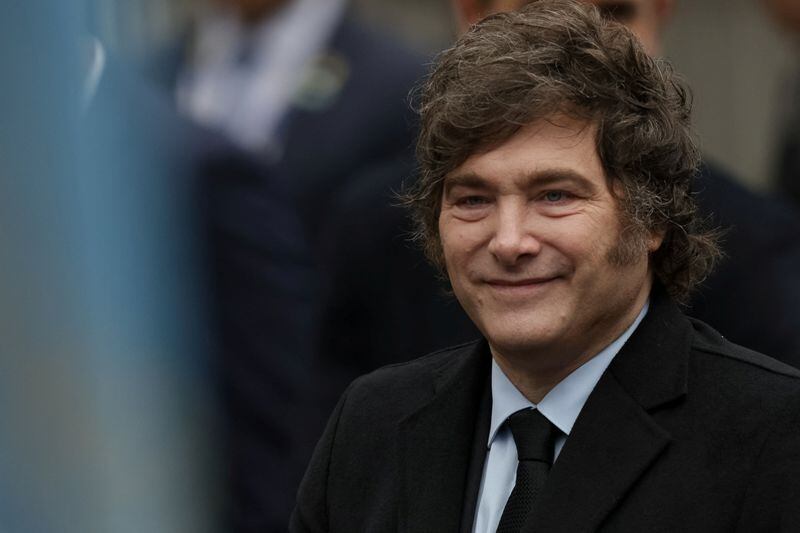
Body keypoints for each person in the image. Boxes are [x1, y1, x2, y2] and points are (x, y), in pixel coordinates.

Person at [293, 2, 800, 531]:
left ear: (651, 218)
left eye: (555, 195)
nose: (509, 241)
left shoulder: (772, 437)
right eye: (472, 200)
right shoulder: (371, 426)